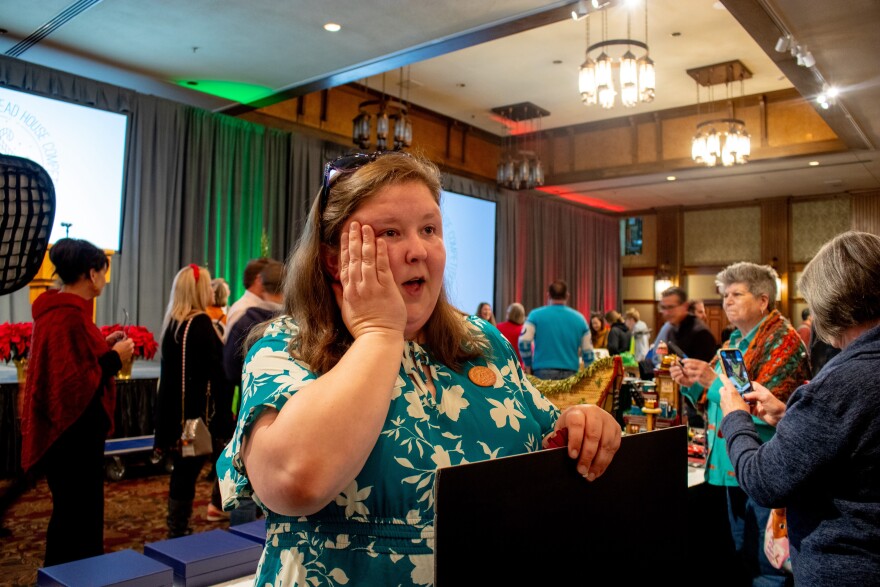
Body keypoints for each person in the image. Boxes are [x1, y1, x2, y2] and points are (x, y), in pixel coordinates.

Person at [216, 151, 621, 586]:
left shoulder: (483, 342)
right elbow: (294, 482)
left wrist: (583, 427)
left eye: (429, 229)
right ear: (335, 259)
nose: (418, 250)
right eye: (390, 232)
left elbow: (544, 435)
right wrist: (378, 333)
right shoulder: (287, 345)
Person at [718, 231, 880, 585]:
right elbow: (848, 438)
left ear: (829, 302)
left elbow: (765, 481)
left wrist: (734, 416)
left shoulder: (840, 384)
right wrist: (784, 413)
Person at [671, 262, 810, 584]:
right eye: (725, 295)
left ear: (763, 301)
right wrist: (690, 382)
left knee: (769, 563)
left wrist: (712, 381)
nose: (727, 301)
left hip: (764, 463)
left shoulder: (784, 343)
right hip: (732, 465)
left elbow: (766, 405)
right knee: (744, 554)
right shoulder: (735, 341)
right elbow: (717, 396)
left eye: (737, 294)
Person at [20, 238, 135, 566]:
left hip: (72, 436)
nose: (105, 279)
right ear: (91, 274)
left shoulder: (59, 311)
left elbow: (74, 366)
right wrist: (114, 357)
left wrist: (102, 344)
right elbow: (73, 385)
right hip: (73, 437)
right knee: (76, 520)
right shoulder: (67, 315)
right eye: (103, 271)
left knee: (72, 516)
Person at [154, 264, 226, 538]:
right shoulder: (200, 323)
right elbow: (218, 371)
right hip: (195, 417)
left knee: (183, 471)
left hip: (174, 414)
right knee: (188, 469)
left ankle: (177, 526)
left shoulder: (173, 322)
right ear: (197, 289)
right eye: (207, 285)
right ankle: (178, 527)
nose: (211, 290)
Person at [519, 280, 594, 379]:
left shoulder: (535, 315)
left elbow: (523, 342)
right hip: (570, 372)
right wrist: (589, 373)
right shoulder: (580, 319)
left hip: (542, 371)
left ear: (548, 295)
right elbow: (588, 351)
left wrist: (528, 364)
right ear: (567, 295)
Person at [224, 257, 271, 338]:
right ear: (259, 279)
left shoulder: (252, 306)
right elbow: (233, 347)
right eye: (270, 277)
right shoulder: (242, 310)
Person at [496, 302, 526, 366]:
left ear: (509, 314)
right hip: (518, 368)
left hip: (500, 366)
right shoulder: (524, 330)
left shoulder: (498, 327)